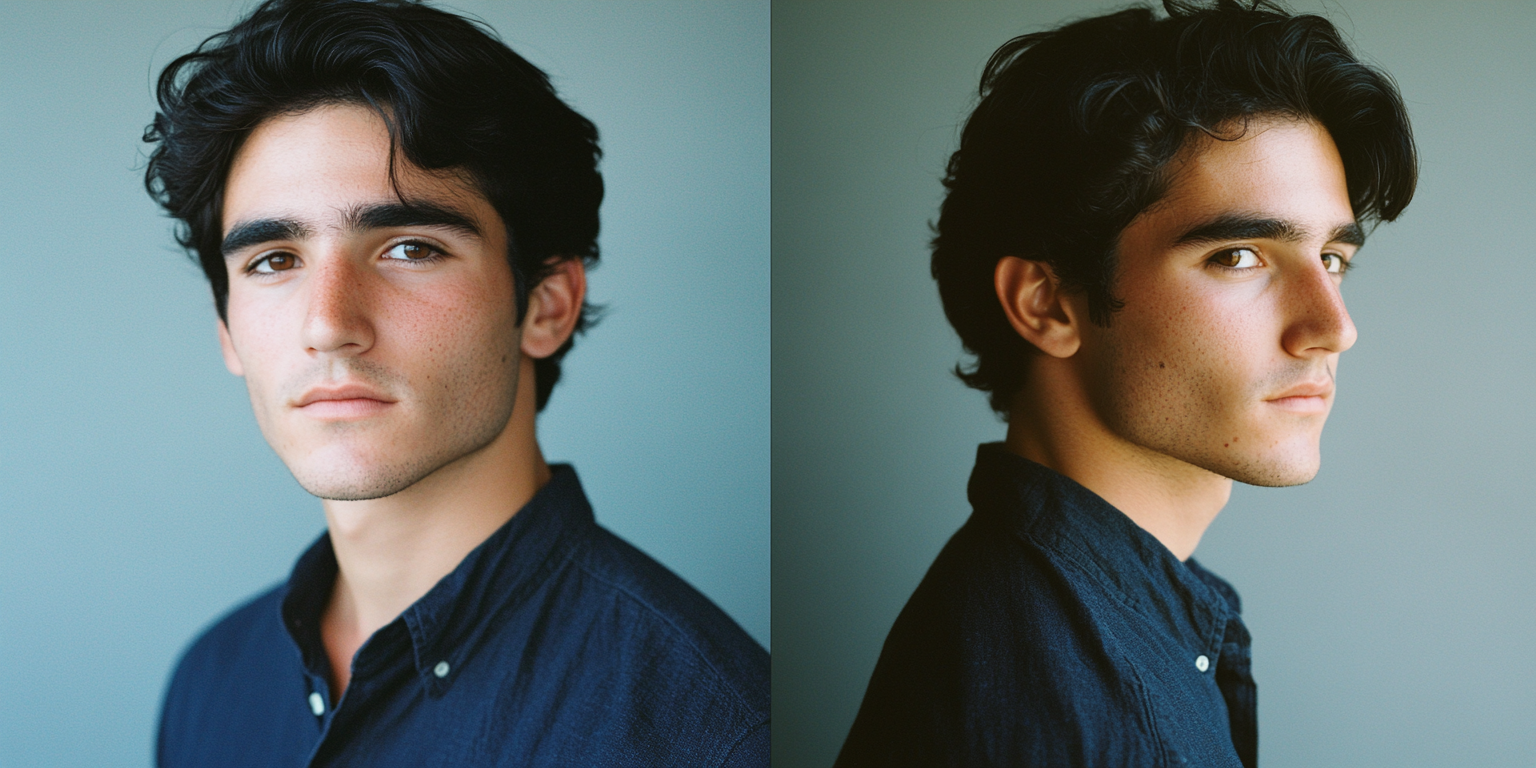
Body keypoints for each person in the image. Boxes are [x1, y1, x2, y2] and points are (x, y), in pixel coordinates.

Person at [142, 1, 768, 765]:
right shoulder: (213, 682)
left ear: (546, 305)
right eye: (274, 259)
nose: (329, 323)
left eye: (409, 247)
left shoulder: (714, 731)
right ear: (227, 330)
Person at [835, 1, 1416, 766]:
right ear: (1046, 304)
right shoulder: (1068, 710)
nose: (1333, 326)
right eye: (1238, 255)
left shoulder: (1093, 631)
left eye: (1333, 259)